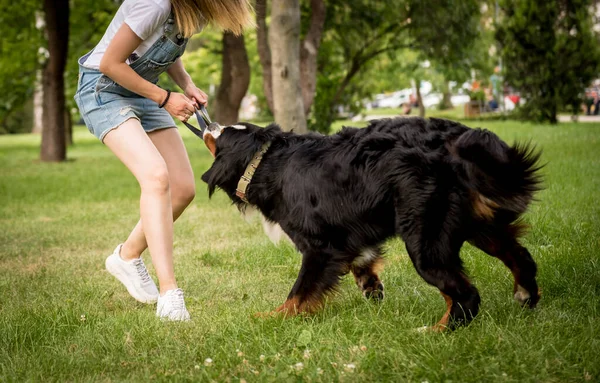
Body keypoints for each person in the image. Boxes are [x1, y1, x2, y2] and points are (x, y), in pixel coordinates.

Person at [74, 0, 254, 321]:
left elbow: (164, 51)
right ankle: (170, 294)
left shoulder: (190, 12)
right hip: (103, 89)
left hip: (141, 91)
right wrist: (165, 98)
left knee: (183, 188)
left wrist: (186, 85)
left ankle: (127, 257)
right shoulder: (153, 4)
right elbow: (111, 64)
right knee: (156, 177)